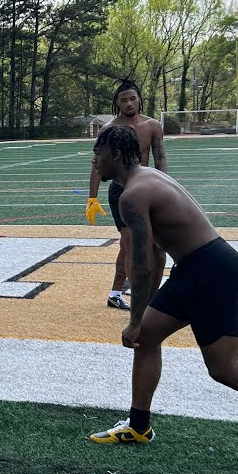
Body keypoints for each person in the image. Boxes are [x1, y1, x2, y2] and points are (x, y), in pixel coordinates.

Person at [86, 127, 238, 468]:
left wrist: (133, 319)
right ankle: (139, 425)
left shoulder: (134, 194)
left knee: (224, 367)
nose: (94, 160)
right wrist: (141, 319)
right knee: (147, 337)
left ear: (115, 154)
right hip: (196, 269)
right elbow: (156, 258)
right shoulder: (141, 182)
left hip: (210, 271)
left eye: (97, 152)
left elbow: (144, 266)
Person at [86, 80, 168, 311]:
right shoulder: (108, 129)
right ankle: (141, 302)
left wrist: (164, 188)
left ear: (139, 99)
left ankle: (117, 293)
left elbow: (160, 159)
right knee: (131, 243)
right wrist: (92, 198)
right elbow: (96, 165)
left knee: (150, 247)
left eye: (132, 98)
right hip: (121, 191)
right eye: (123, 100)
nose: (129, 103)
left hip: (147, 188)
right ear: (117, 103)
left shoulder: (152, 126)